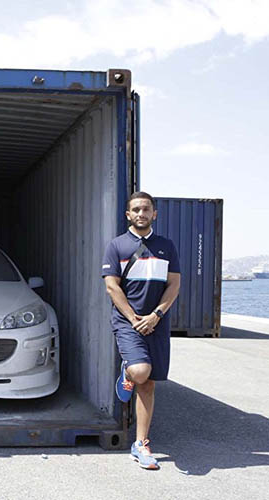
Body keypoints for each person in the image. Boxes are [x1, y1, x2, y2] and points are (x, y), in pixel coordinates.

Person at [102, 191, 180, 470]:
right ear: (128, 214)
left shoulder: (166, 246)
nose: (141, 214)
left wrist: (156, 315)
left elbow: (174, 284)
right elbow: (112, 287)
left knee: (148, 384)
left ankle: (141, 444)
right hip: (129, 321)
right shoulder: (117, 246)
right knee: (140, 372)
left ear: (154, 214)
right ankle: (128, 371)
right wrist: (134, 318)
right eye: (136, 209)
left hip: (156, 322)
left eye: (146, 209)